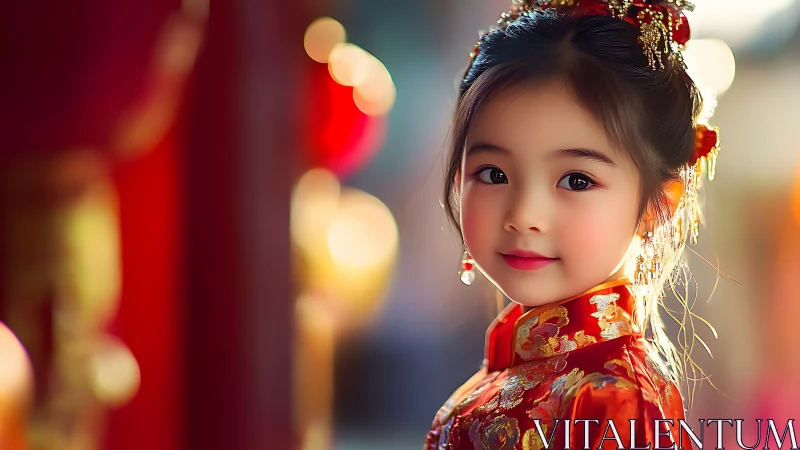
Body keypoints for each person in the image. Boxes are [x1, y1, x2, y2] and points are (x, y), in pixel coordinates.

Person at [424, 1, 721, 449]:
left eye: (576, 180)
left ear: (655, 205)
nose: (524, 215)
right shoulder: (510, 369)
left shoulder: (613, 399)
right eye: (493, 174)